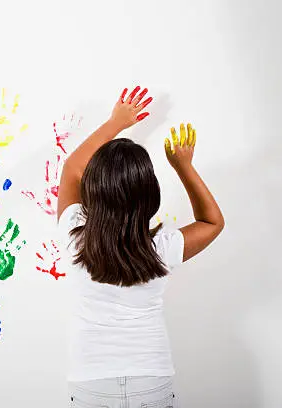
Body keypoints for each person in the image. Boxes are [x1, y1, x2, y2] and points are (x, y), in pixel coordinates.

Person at [57, 86, 225, 407]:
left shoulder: (73, 234)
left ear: (93, 188)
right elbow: (212, 222)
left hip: (92, 381)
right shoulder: (162, 246)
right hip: (152, 378)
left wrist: (115, 122)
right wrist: (183, 166)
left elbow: (71, 170)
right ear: (149, 195)